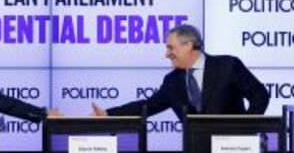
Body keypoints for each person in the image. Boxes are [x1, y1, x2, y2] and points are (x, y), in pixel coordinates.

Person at [92, 24, 269, 120]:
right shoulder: (172, 81)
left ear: (188, 45)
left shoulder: (228, 65)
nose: (167, 54)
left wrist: (245, 129)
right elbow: (147, 106)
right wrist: (108, 113)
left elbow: (260, 95)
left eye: (171, 47)